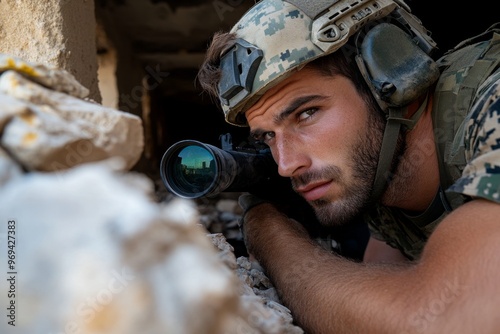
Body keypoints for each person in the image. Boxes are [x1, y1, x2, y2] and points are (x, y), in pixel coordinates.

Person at [197, 0, 500, 332]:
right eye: (267, 135)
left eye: (306, 114)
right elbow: (366, 314)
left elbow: (444, 319)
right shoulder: (384, 188)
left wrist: (269, 233)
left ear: (393, 74)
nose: (286, 165)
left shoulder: (492, 107)